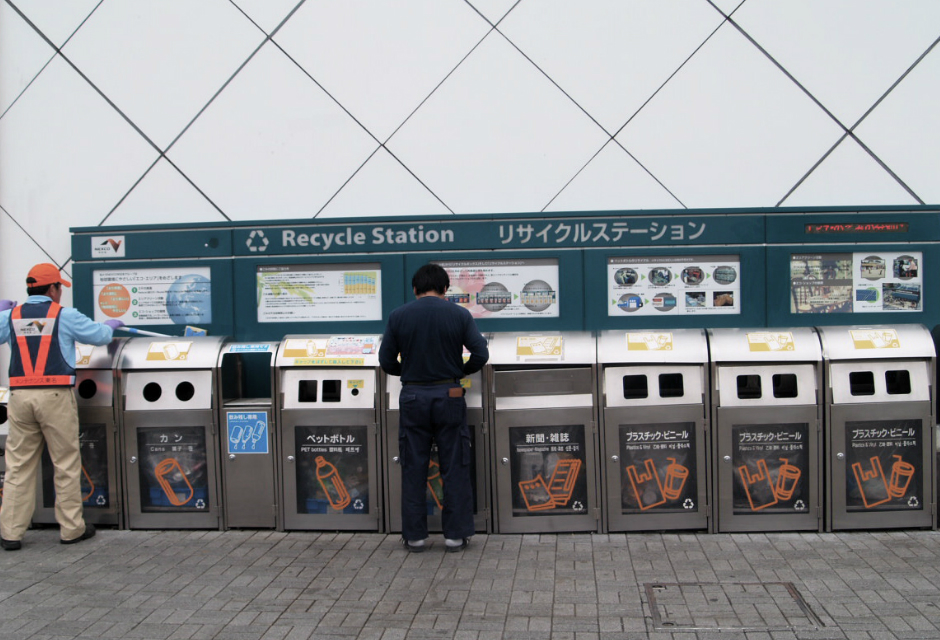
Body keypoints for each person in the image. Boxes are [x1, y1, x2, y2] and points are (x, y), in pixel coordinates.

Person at [0, 263, 123, 550]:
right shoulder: (63, 315)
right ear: (53, 289)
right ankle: (71, 529)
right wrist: (110, 325)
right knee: (65, 462)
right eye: (59, 288)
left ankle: (10, 533)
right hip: (55, 396)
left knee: (18, 466)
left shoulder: (12, 317)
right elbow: (101, 337)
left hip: (19, 397)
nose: (60, 294)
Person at [379, 264, 488, 553]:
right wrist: (459, 371)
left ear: (415, 289)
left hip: (413, 395)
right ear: (445, 289)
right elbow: (481, 354)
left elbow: (386, 361)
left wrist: (410, 371)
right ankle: (455, 535)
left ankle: (415, 536)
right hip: (450, 393)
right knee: (455, 465)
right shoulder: (459, 314)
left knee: (414, 465)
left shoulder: (398, 316)